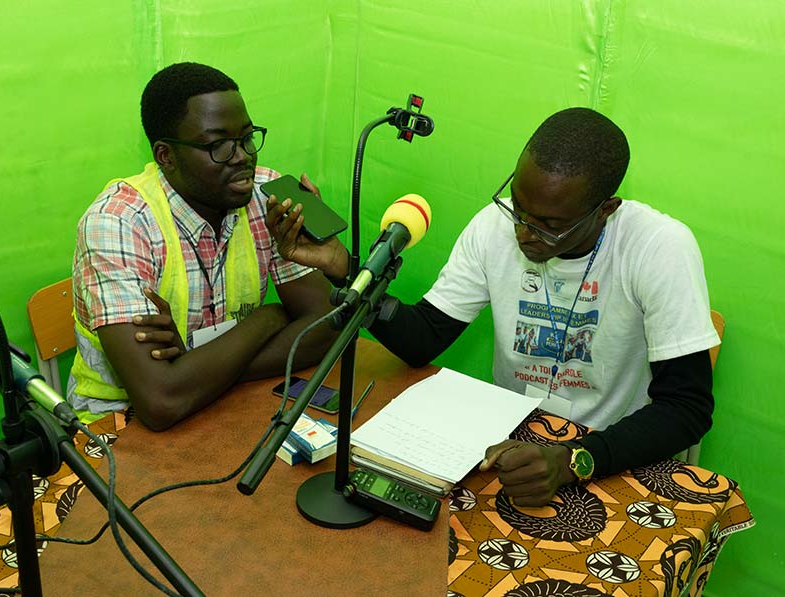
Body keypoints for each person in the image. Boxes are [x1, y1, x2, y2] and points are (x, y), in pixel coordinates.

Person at [265, 107, 719, 506]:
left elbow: (687, 407)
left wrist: (573, 461)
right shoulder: (493, 228)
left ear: (606, 210)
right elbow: (423, 338)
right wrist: (344, 268)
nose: (524, 233)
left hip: (611, 454)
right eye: (519, 208)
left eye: (550, 225)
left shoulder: (659, 247)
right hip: (511, 444)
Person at [67, 62, 336, 431]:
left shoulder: (265, 193)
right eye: (218, 145)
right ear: (166, 156)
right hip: (114, 425)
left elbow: (325, 328)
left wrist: (196, 370)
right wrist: (268, 318)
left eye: (246, 137)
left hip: (221, 402)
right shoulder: (118, 223)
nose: (242, 156)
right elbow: (161, 400)